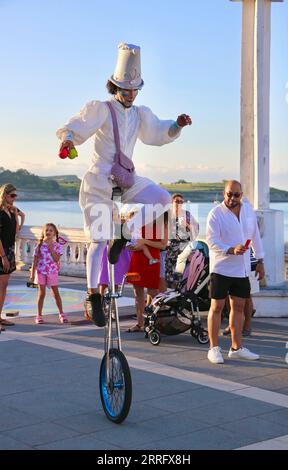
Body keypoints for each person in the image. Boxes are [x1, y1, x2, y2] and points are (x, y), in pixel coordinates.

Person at [56, 43, 191, 327]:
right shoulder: (102, 109)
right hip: (99, 180)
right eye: (126, 90)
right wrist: (68, 138)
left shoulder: (139, 114)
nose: (131, 95)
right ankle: (94, 296)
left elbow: (157, 132)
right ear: (114, 87)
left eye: (134, 91)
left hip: (125, 177)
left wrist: (176, 125)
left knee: (163, 199)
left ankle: (125, 233)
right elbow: (78, 125)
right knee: (98, 241)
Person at [206, 180, 265, 364]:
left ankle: (236, 347)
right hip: (221, 268)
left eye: (236, 195)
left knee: (238, 307)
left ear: (242, 194)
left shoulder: (248, 211)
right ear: (223, 193)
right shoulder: (215, 214)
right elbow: (211, 241)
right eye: (229, 194)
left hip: (242, 269)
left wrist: (261, 261)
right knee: (216, 308)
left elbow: (255, 236)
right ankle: (213, 349)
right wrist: (231, 249)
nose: (232, 198)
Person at [127, 219, 168, 332]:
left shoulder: (163, 223)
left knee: (153, 292)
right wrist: (131, 246)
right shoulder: (139, 220)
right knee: (137, 292)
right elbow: (133, 237)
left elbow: (163, 245)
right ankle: (139, 323)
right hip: (137, 257)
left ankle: (159, 322)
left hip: (152, 259)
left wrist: (145, 242)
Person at [29, 223, 68, 325]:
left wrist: (51, 249)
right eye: (46, 230)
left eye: (51, 230)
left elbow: (56, 259)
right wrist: (32, 275)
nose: (48, 232)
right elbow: (35, 260)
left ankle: (61, 314)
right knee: (41, 293)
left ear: (55, 233)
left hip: (52, 272)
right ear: (43, 232)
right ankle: (39, 315)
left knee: (55, 293)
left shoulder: (57, 246)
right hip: (41, 272)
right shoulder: (39, 245)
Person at [165, 193, 199, 287]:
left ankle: (180, 294)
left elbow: (196, 231)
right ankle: (170, 295)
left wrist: (187, 225)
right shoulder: (167, 214)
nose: (179, 203)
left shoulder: (187, 214)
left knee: (182, 274)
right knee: (169, 274)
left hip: (184, 249)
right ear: (172, 202)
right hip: (170, 249)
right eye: (177, 201)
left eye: (181, 201)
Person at [0, 184, 19, 333]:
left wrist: (19, 217)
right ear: (4, 195)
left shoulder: (11, 211)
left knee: (4, 287)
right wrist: (3, 256)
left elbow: (15, 232)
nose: (14, 198)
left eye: (15, 196)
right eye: (12, 195)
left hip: (10, 251)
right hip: (2, 252)